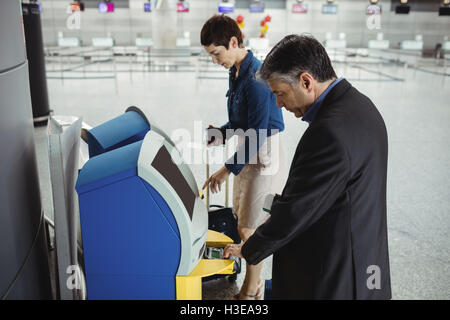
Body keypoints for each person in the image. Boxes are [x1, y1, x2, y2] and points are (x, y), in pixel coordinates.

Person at [224, 34, 392, 300]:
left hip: (336, 275)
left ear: (306, 81)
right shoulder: (361, 106)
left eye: (280, 93)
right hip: (364, 259)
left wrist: (249, 248)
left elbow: (297, 210)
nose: (278, 104)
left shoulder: (329, 133)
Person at [200, 15, 287, 300]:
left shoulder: (256, 79)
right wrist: (220, 134)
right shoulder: (236, 72)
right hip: (247, 150)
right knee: (241, 221)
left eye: (216, 53)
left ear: (234, 42)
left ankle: (251, 291)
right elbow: (242, 122)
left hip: (263, 155)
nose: (215, 60)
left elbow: (259, 132)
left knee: (250, 228)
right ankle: (254, 283)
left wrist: (226, 170)